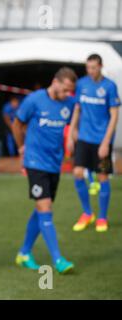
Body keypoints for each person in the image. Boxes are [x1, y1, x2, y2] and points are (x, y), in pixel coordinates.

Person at [12, 67, 77, 274]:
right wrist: (21, 148)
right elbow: (17, 124)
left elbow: (75, 115)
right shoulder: (34, 100)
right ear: (55, 82)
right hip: (35, 162)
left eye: (70, 91)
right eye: (65, 89)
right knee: (45, 208)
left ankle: (24, 253)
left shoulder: (68, 103)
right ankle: (58, 260)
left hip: (54, 164)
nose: (68, 94)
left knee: (42, 209)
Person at [67, 54, 120, 233]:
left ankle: (102, 217)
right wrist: (70, 133)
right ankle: (87, 213)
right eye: (88, 67)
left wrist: (106, 142)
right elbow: (76, 109)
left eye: (94, 67)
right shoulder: (82, 84)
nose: (91, 71)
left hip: (102, 140)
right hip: (84, 138)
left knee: (103, 176)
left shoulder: (110, 87)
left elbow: (114, 116)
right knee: (77, 173)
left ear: (101, 66)